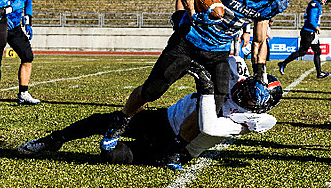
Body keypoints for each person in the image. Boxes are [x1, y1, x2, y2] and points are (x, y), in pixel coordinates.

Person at [99, 0, 297, 153]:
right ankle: (121, 121)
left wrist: (260, 73)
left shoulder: (271, 2)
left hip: (218, 51)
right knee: (152, 90)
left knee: (215, 106)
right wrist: (192, 15)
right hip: (190, 41)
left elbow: (258, 41)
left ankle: (175, 150)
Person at [18, 56, 283, 168]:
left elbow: (209, 126)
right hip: (164, 118)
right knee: (100, 120)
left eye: (253, 98)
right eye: (250, 88)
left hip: (175, 147)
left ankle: (127, 150)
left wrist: (206, 87)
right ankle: (52, 140)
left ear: (261, 108)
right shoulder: (236, 73)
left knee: (110, 154)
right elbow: (225, 56)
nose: (246, 95)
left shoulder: (256, 120)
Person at [278, 0, 331, 79]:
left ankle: (319, 73)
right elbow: (311, 20)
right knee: (302, 52)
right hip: (308, 32)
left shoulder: (317, 4)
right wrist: (317, 28)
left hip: (312, 32)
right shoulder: (315, 5)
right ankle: (283, 63)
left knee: (317, 51)